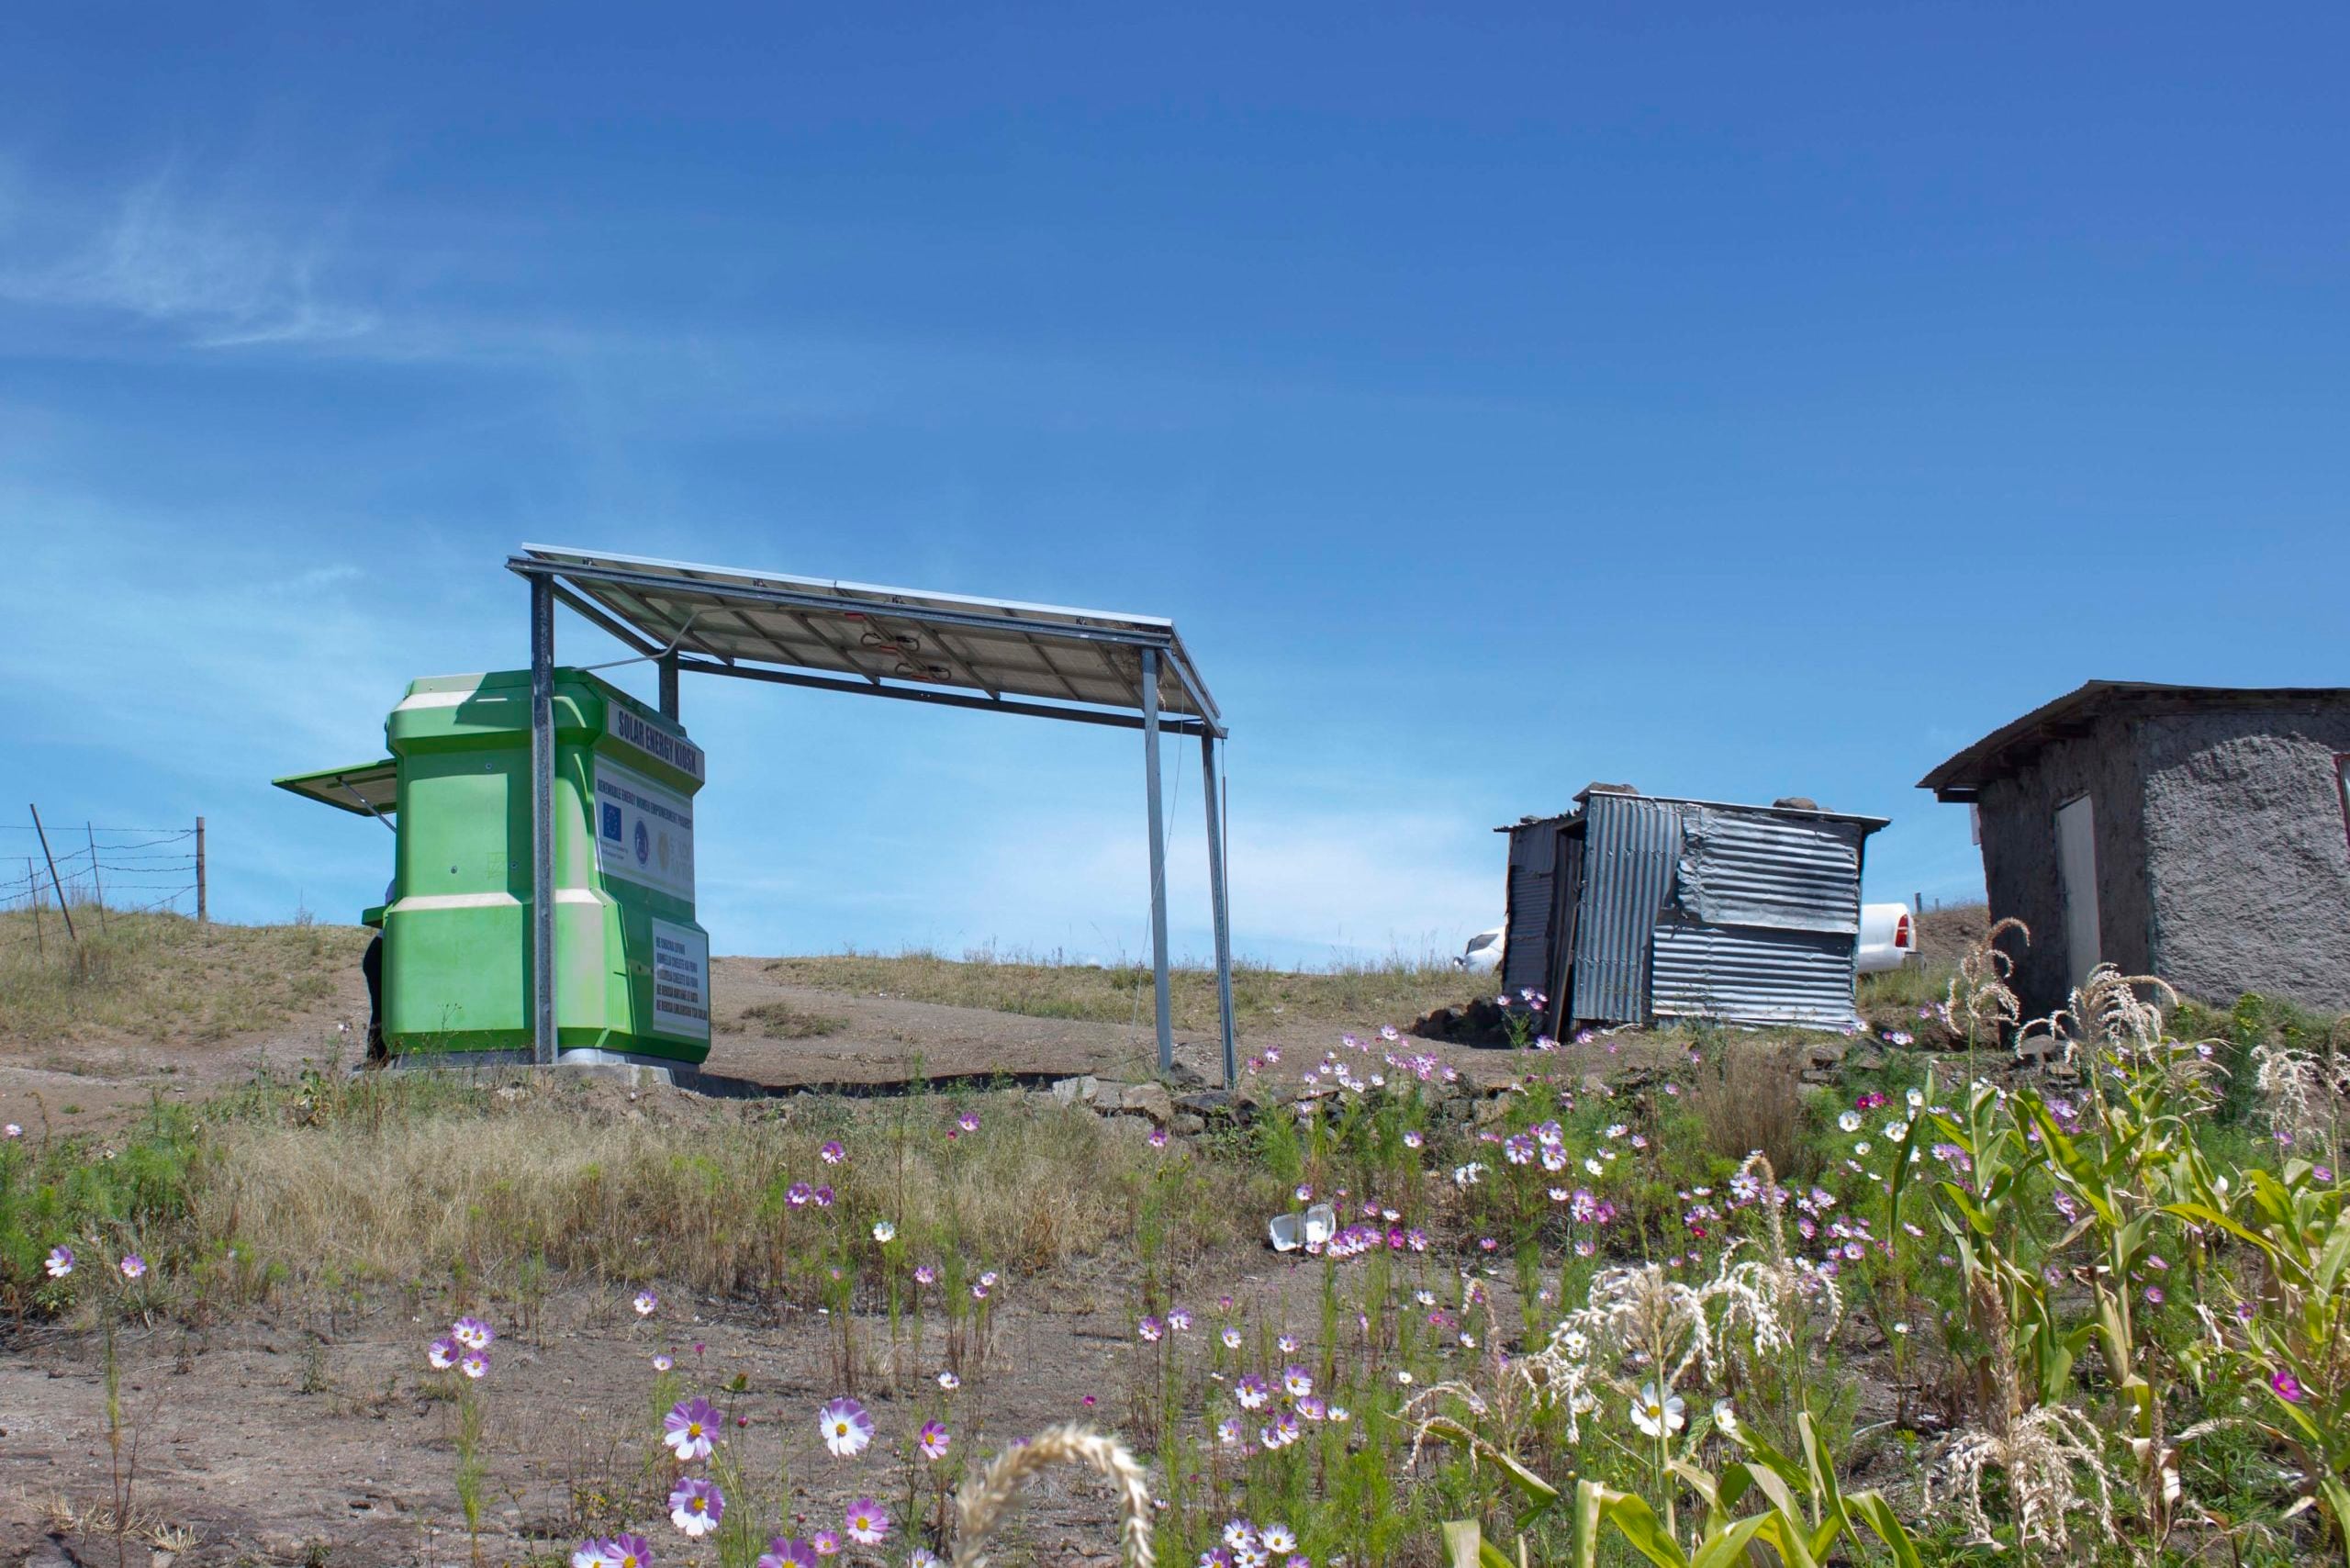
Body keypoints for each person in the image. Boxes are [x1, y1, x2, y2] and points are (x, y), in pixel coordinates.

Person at [362, 875, 393, 1063]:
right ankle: (376, 1057)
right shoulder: (401, 883)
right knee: (382, 1006)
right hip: (381, 951)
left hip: (384, 950)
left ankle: (379, 1056)